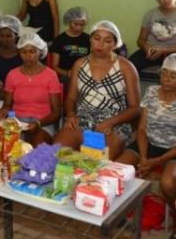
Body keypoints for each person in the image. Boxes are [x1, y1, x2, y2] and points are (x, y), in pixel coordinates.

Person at [116, 54, 176, 239]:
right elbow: (140, 129)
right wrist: (144, 157)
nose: (165, 79)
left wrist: (155, 162)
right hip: (149, 143)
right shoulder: (151, 92)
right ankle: (120, 211)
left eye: (173, 76)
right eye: (163, 73)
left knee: (168, 182)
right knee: (117, 169)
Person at [54, 20, 140, 160]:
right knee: (58, 154)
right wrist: (70, 115)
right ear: (90, 39)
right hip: (82, 118)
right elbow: (70, 99)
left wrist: (110, 122)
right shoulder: (80, 64)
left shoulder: (126, 67)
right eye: (96, 38)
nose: (100, 44)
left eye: (107, 40)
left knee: (98, 160)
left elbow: (135, 108)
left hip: (114, 122)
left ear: (115, 44)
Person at [0, 33, 61, 146]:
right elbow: (7, 105)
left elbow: (56, 113)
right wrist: (3, 112)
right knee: (6, 148)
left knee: (37, 148)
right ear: (19, 53)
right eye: (24, 52)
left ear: (40, 52)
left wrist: (38, 123)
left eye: (32, 51)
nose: (28, 56)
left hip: (43, 122)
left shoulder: (51, 75)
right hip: (17, 122)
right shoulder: (12, 74)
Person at [0, 15, 23, 99]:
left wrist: (8, 94)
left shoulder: (23, 55)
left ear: (16, 36)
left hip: (20, 98)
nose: (5, 39)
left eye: (9, 36)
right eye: (1, 36)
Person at [51, 7, 90, 84]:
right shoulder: (59, 40)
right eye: (75, 24)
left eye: (82, 25)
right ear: (69, 21)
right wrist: (67, 73)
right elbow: (54, 66)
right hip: (66, 76)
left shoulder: (89, 39)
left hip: (85, 75)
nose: (78, 28)